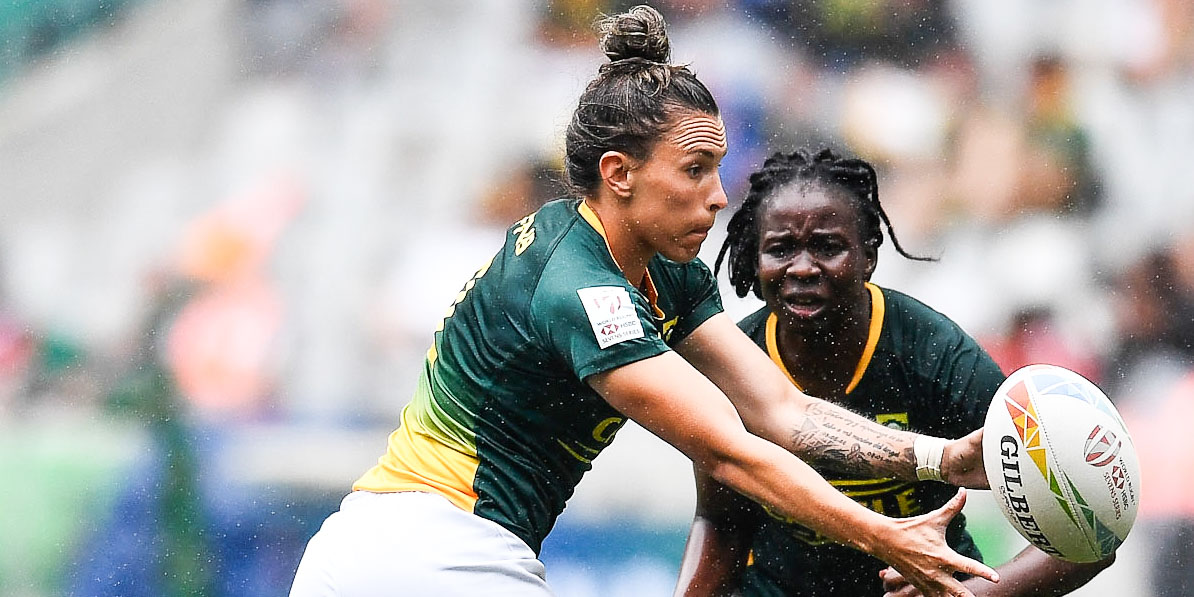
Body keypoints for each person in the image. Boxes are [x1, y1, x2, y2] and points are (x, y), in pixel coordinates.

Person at [289, 7, 999, 597]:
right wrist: (886, 537)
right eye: (695, 170)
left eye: (718, 168)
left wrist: (940, 458)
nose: (718, 196)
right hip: (433, 552)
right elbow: (731, 453)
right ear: (618, 173)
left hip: (395, 548)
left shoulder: (665, 267)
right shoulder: (578, 286)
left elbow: (780, 411)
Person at [674, 148, 1113, 597]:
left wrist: (969, 596)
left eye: (828, 247)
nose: (802, 268)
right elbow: (721, 521)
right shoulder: (734, 360)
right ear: (754, 259)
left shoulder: (936, 357)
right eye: (781, 249)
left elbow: (1094, 534)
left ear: (868, 256)